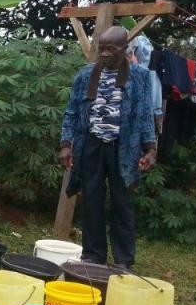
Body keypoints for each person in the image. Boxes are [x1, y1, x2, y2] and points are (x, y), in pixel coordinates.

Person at [58, 26, 157, 269]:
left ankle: (124, 261)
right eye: (101, 48)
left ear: (124, 49)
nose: (104, 54)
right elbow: (72, 111)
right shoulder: (85, 75)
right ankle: (93, 256)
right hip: (91, 145)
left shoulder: (140, 76)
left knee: (122, 203)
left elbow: (145, 113)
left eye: (111, 49)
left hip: (124, 148)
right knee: (92, 199)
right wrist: (65, 144)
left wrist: (150, 148)